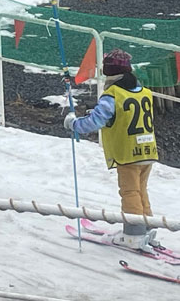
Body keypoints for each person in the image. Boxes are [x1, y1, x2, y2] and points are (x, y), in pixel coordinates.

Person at [63, 49, 159, 251]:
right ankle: (147, 226)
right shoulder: (144, 92)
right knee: (141, 190)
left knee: (129, 192)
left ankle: (133, 233)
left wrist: (74, 124)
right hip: (147, 150)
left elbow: (96, 121)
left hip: (127, 152)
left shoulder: (113, 95)